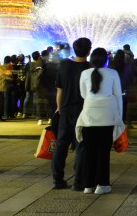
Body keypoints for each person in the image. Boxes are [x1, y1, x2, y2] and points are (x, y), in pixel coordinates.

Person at [76, 47, 124, 195]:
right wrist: (119, 117)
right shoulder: (113, 73)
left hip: (89, 116)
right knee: (103, 152)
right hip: (107, 116)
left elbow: (84, 94)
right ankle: (102, 185)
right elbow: (118, 96)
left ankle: (88, 185)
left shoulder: (84, 73)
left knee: (88, 152)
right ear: (106, 60)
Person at [52, 37, 91, 190]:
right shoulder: (90, 68)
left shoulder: (64, 66)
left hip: (65, 110)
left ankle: (57, 180)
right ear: (89, 50)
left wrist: (59, 108)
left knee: (61, 145)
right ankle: (78, 182)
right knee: (81, 145)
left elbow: (59, 90)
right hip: (84, 111)